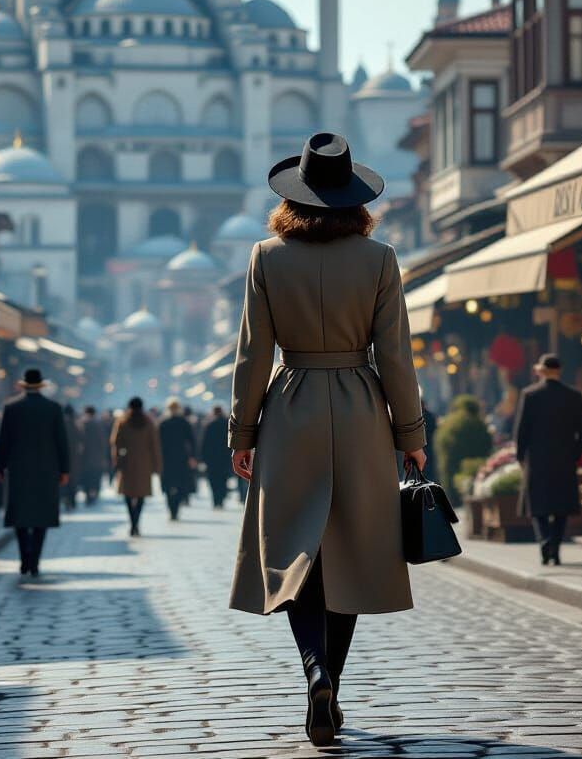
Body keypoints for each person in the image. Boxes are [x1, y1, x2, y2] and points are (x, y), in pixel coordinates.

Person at [229, 132, 427, 747]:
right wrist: (411, 434)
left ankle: (313, 669)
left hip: (290, 411)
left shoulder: (267, 256)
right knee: (353, 549)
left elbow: (252, 355)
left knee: (294, 549)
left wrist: (242, 431)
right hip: (362, 410)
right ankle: (331, 681)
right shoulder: (381, 258)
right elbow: (395, 355)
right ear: (356, 201)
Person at [514, 354, 582, 567]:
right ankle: (554, 546)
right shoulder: (574, 395)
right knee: (561, 507)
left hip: (536, 459)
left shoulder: (529, 394)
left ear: (541, 371)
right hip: (564, 459)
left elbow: (521, 430)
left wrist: (520, 456)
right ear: (559, 370)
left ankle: (544, 540)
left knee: (537, 506)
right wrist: (575, 454)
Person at [0, 369, 70, 578]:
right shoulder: (53, 408)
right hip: (47, 469)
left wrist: (0, 466)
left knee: (20, 515)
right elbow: (61, 442)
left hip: (19, 469)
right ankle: (35, 560)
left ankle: (24, 558)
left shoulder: (11, 408)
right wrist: (64, 469)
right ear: (41, 385)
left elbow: (3, 441)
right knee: (41, 515)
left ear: (23, 384)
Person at [111, 397, 162, 536]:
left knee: (128, 494)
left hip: (127, 462)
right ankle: (136, 522)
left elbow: (115, 443)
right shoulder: (149, 422)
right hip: (144, 463)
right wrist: (157, 465)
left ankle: (132, 521)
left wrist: (116, 461)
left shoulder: (122, 421)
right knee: (141, 495)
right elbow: (154, 445)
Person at [159, 398, 195, 520]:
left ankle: (171, 509)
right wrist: (192, 457)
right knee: (180, 484)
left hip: (166, 458)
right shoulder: (184, 422)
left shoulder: (163, 423)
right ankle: (175, 509)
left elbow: (158, 443)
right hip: (181, 458)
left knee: (168, 485)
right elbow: (192, 441)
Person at [201, 404, 231, 508]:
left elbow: (205, 443)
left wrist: (203, 458)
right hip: (224, 457)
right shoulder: (227, 424)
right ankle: (221, 498)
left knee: (213, 479)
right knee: (223, 479)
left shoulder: (209, 425)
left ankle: (216, 500)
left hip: (212, 458)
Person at [78, 407, 107, 505]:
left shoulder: (81, 424)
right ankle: (94, 494)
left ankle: (88, 495)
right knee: (95, 477)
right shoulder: (98, 425)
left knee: (86, 477)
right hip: (96, 458)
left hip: (84, 457)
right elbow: (102, 442)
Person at [62, 404, 82, 510]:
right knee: (73, 479)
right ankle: (72, 500)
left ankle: (65, 499)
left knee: (63, 479)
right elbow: (81, 440)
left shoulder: (60, 424)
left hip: (62, 456)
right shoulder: (75, 425)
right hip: (74, 457)